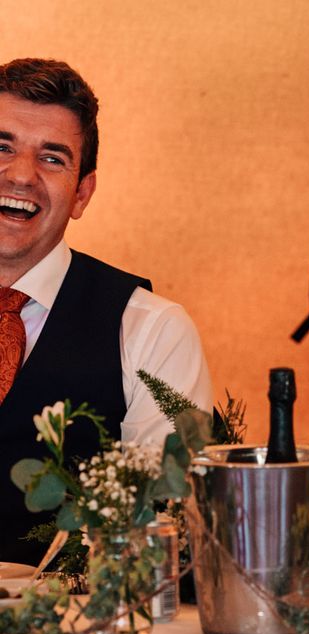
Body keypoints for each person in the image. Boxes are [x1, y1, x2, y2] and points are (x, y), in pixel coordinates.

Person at [0, 58, 213, 563]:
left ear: (82, 193)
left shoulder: (153, 332)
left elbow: (166, 528)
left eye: (53, 158)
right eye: (1, 147)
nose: (21, 175)